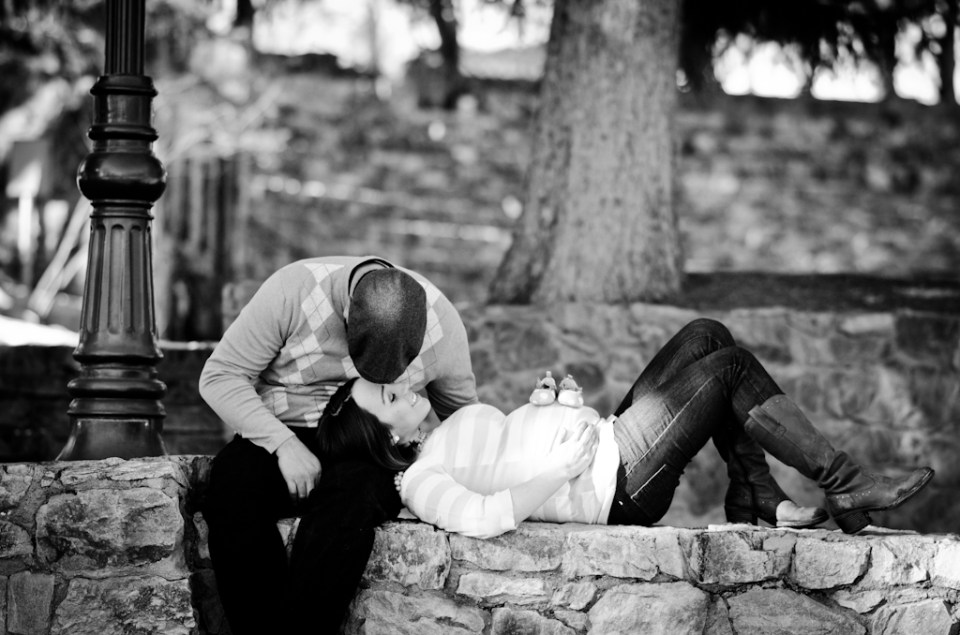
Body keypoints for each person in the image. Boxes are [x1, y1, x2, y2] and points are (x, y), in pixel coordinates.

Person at [316, 318, 934, 539]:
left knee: (706, 335)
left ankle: (757, 495)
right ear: (385, 438)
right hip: (615, 486)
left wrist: (548, 408)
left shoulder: (446, 430)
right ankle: (843, 482)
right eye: (388, 395)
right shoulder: (419, 483)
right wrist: (557, 468)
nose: (400, 382)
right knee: (728, 368)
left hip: (610, 440)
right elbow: (485, 517)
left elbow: (502, 452)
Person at [198, 256, 478, 634]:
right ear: (345, 315)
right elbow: (220, 376)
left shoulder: (443, 325)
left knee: (354, 499)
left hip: (370, 447)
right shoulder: (293, 290)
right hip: (283, 429)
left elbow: (466, 419)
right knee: (233, 482)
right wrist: (283, 444)